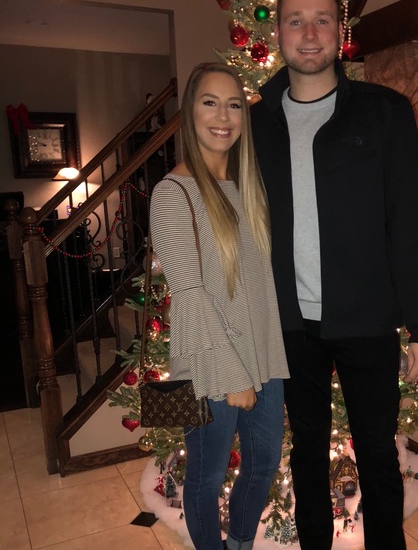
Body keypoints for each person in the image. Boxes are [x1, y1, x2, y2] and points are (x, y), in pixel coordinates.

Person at [250, 0, 418, 549]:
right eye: (296, 21)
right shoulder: (254, 122)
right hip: (290, 326)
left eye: (322, 20)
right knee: (306, 454)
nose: (309, 34)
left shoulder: (385, 112)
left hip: (367, 321)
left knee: (379, 456)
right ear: (278, 32)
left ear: (340, 30)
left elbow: (411, 224)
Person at [150, 62, 289, 550]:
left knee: (264, 462)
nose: (224, 116)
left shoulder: (250, 187)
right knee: (206, 478)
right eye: (210, 102)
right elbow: (190, 294)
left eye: (234, 105)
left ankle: (241, 542)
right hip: (209, 363)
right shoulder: (172, 193)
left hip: (262, 357)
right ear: (190, 112)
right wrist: (233, 378)